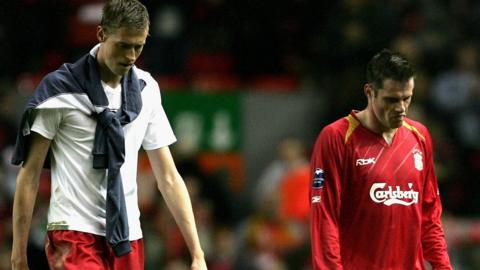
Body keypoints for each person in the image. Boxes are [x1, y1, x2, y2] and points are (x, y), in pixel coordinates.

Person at [10, 1, 207, 269]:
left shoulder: (146, 89)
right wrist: (18, 253)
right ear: (101, 34)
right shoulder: (59, 90)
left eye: (138, 46)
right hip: (73, 231)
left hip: (128, 236)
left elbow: (169, 178)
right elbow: (30, 174)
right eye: (123, 45)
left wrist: (197, 253)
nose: (131, 56)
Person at [310, 49, 452, 269]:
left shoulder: (420, 136)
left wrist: (443, 266)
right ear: (369, 92)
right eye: (392, 100)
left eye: (407, 98)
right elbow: (325, 219)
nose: (401, 108)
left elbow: (430, 216)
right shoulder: (337, 138)